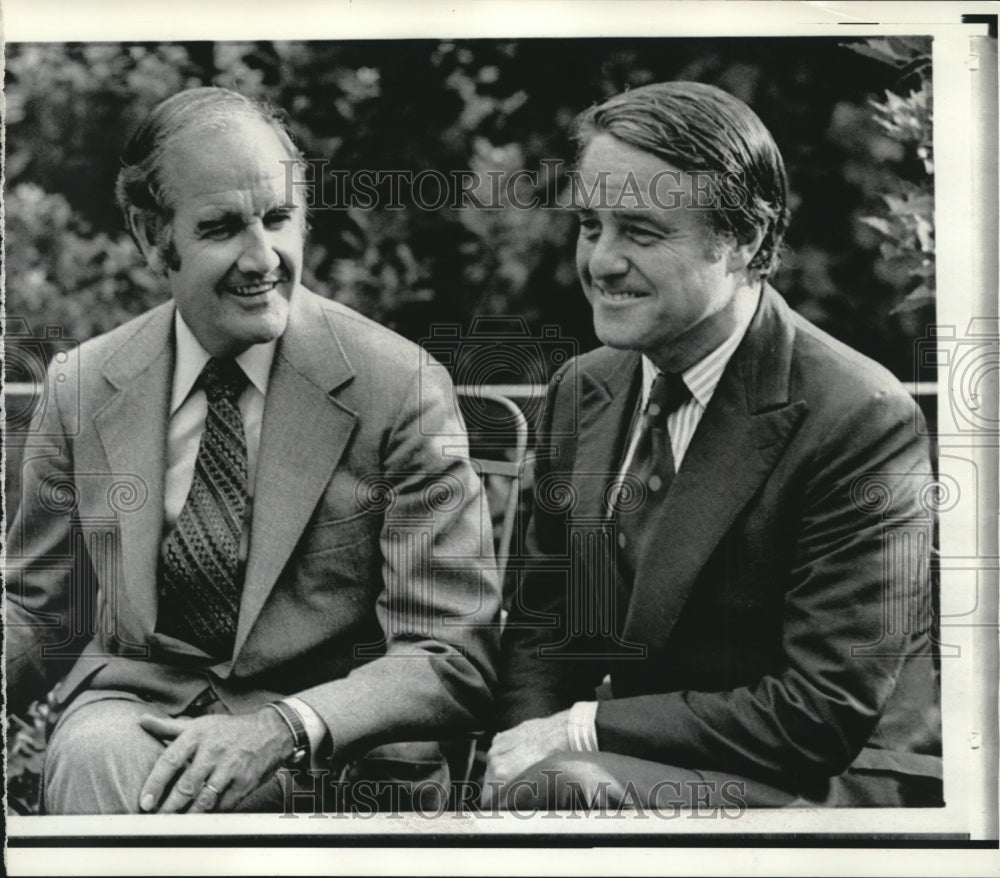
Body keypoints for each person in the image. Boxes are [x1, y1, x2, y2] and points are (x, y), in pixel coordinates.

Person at [5, 87, 501, 814]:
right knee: (101, 757)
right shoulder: (82, 387)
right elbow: (42, 609)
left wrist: (284, 728)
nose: (262, 257)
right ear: (152, 237)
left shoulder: (398, 388)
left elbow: (450, 654)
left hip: (332, 750)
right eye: (222, 228)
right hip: (141, 714)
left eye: (278, 219)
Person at [486, 81, 941, 809]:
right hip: (646, 768)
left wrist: (579, 731)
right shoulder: (584, 389)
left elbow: (820, 713)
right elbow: (547, 632)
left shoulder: (860, 417)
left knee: (563, 789)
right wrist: (515, 753)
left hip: (824, 790)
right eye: (590, 225)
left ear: (746, 240)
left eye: (639, 231)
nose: (600, 262)